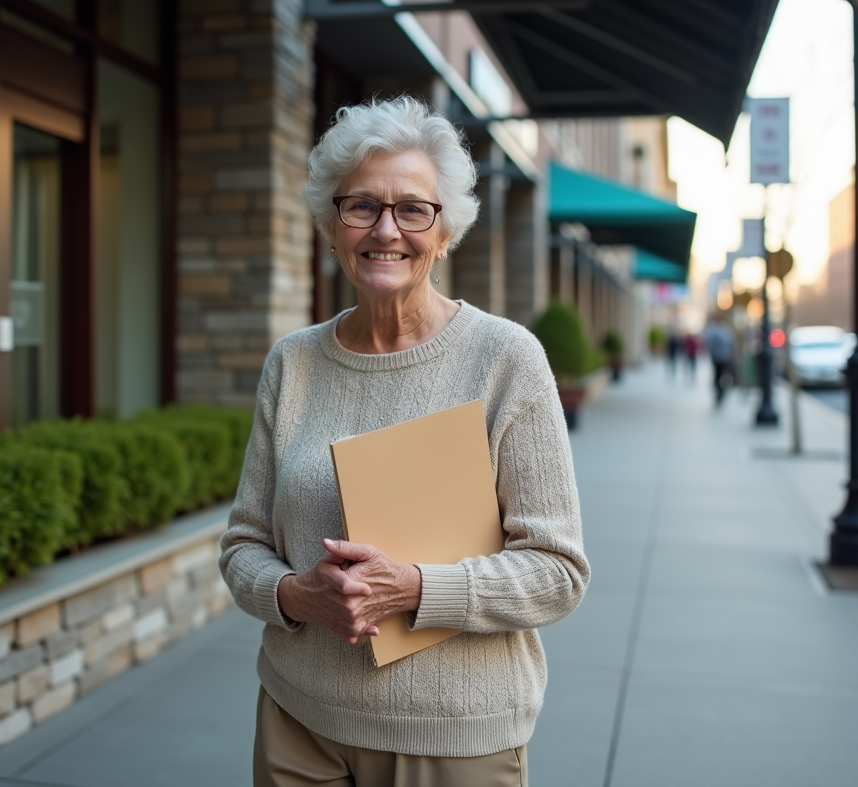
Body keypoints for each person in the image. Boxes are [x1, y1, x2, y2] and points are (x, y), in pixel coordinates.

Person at [218, 97, 590, 787]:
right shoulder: (293, 362)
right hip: (296, 723)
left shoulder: (504, 358)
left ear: (445, 232)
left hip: (452, 737)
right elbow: (243, 547)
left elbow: (557, 573)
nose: (385, 230)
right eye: (361, 206)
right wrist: (299, 595)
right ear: (332, 226)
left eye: (413, 209)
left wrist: (414, 589)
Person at [704, 315, 736, 406]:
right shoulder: (719, 331)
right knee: (718, 375)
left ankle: (721, 391)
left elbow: (731, 344)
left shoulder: (724, 330)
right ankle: (719, 391)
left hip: (724, 357)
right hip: (717, 357)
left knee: (722, 375)